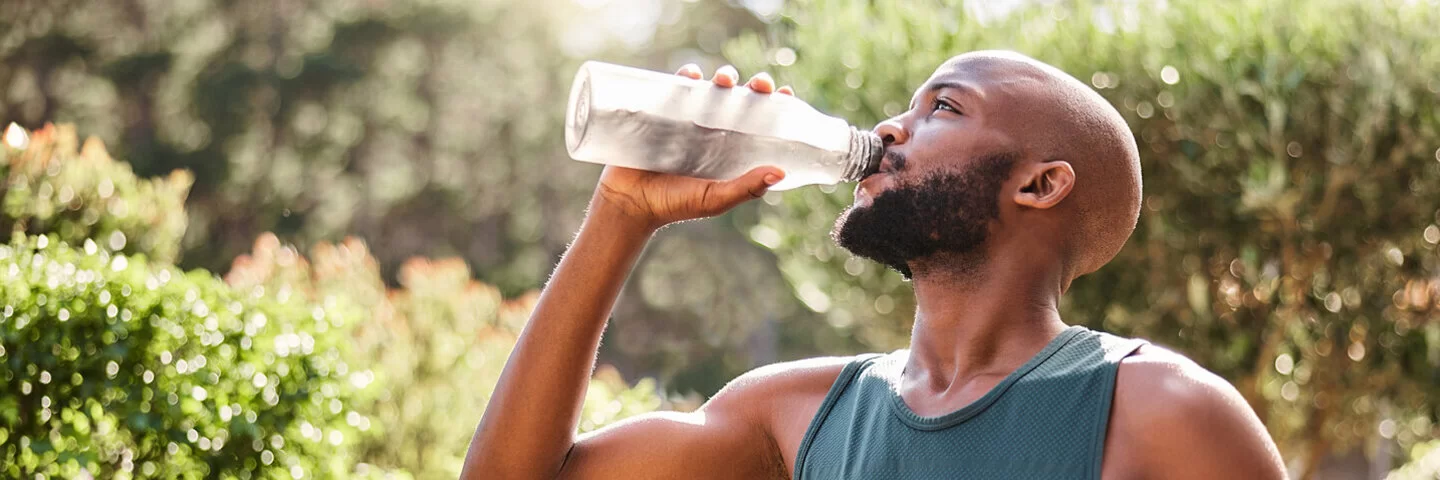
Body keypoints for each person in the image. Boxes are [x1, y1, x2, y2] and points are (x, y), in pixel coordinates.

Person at [462, 51, 1287, 479]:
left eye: (944, 107)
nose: (891, 129)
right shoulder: (795, 412)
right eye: (905, 105)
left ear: (1041, 184)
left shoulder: (1164, 412)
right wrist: (621, 216)